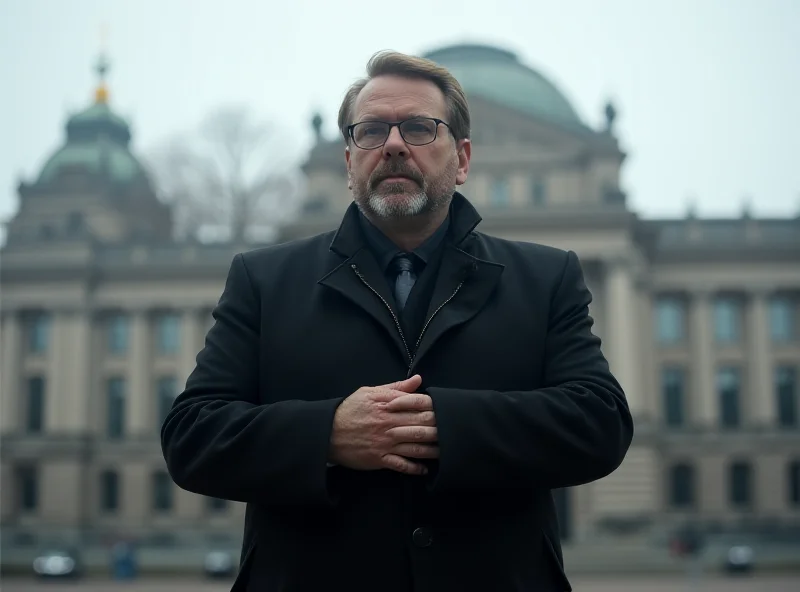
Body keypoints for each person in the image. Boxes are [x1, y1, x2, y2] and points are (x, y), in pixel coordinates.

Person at [161, 49, 634, 592]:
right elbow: (191, 436)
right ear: (347, 162)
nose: (392, 144)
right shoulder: (263, 280)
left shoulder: (547, 277)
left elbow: (601, 423)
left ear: (462, 160)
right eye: (371, 131)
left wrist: (441, 427)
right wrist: (330, 434)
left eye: (418, 127)